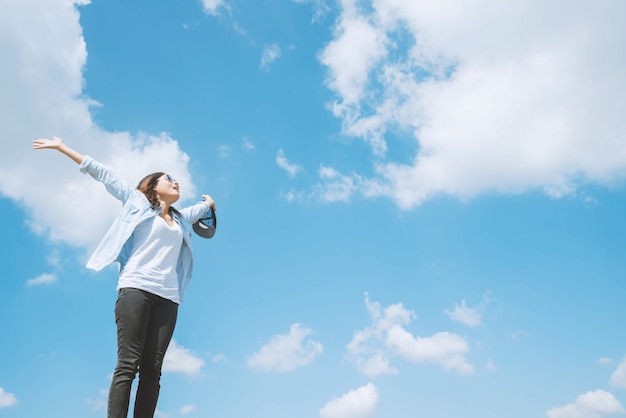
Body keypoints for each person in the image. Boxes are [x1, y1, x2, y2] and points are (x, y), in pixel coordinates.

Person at [33, 136, 216, 418]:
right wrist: (62, 147)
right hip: (136, 289)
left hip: (168, 296)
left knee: (153, 370)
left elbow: (198, 211)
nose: (175, 181)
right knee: (128, 363)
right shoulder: (137, 203)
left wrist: (209, 205)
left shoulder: (180, 218)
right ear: (153, 187)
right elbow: (104, 174)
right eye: (168, 178)